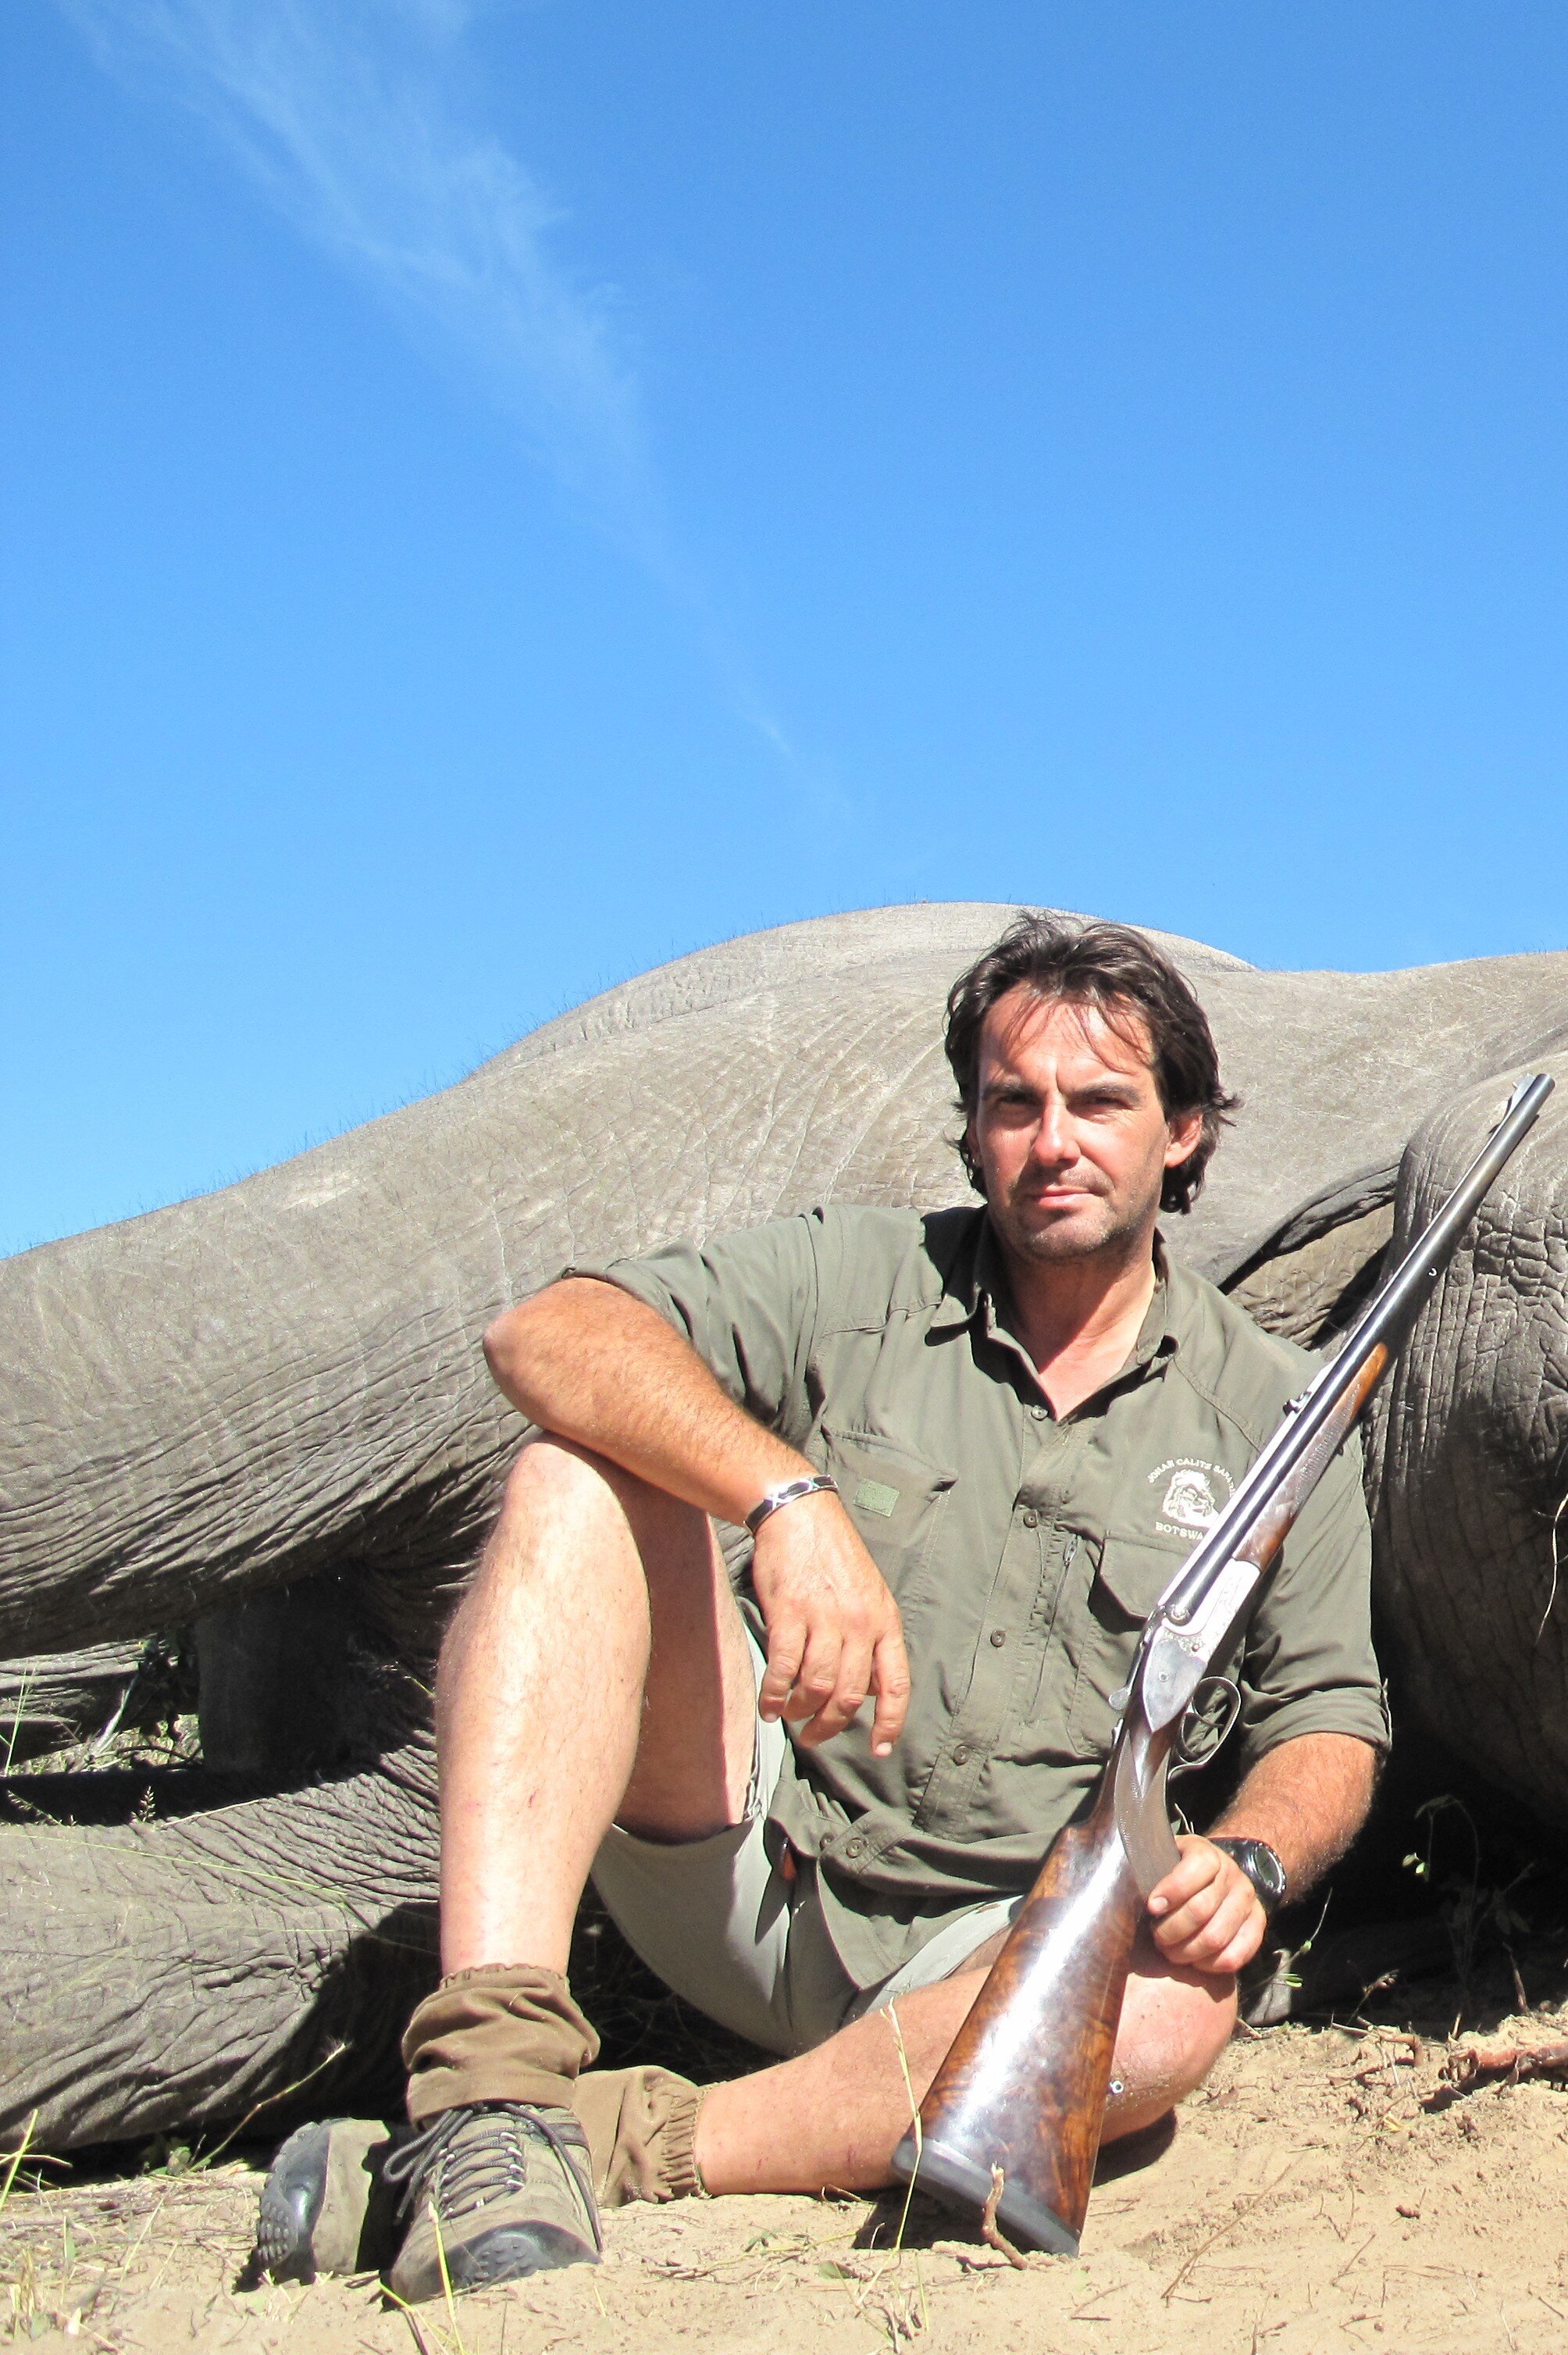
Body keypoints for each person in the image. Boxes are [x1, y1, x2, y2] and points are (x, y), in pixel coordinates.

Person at [250, 914, 1388, 2301]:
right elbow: (544, 1334)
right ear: (972, 1131)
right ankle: (488, 2084)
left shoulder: (1275, 1413)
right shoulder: (860, 1272)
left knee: (1171, 2019)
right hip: (745, 1860)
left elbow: (1331, 1717)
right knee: (574, 1472)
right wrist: (784, 1498)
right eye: (1012, 1103)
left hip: (1007, 1949)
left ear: (1187, 1132)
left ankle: (611, 2144)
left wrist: (1254, 1862)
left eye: (1101, 1103)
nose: (1054, 1141)